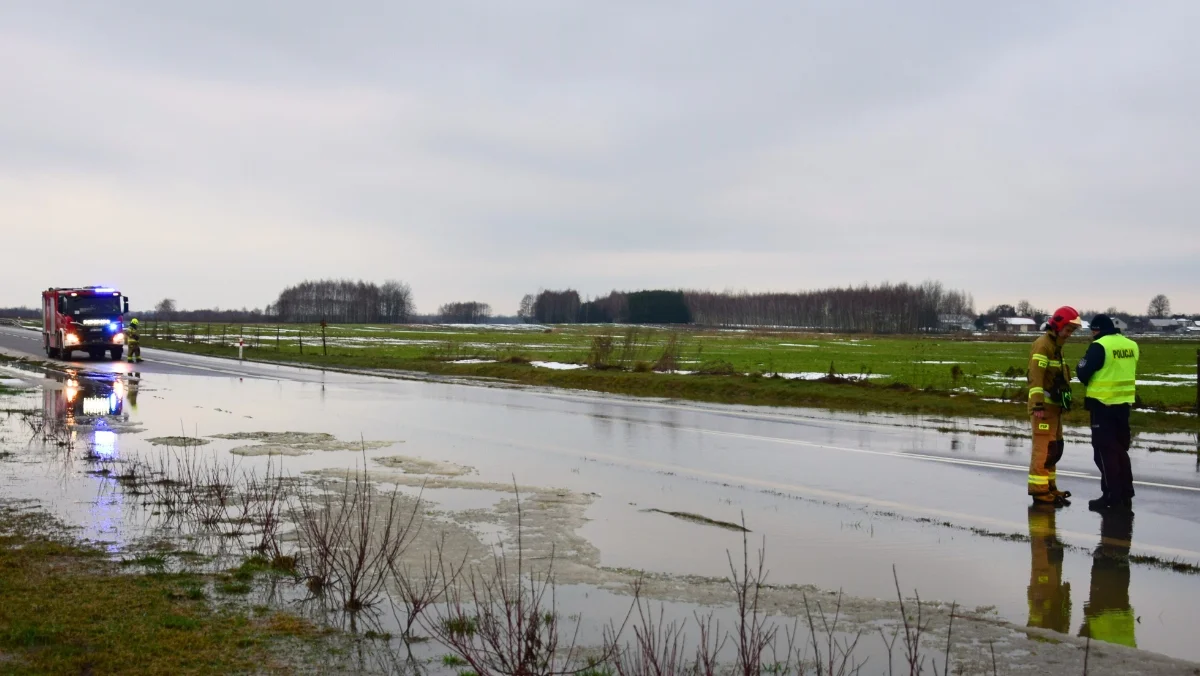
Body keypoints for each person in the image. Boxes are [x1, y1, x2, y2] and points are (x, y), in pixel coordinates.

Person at [1075, 314, 1139, 511]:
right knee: (1120, 451)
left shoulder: (1100, 345)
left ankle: (1111, 495)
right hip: (1123, 405)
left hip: (1103, 405)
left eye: (1092, 331)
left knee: (1104, 453)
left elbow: (1083, 372)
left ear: (1096, 330)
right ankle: (1126, 493)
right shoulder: (1131, 345)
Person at [1027, 306, 1082, 505]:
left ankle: (1050, 487)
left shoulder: (1056, 347)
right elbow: (1036, 378)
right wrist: (1038, 406)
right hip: (1044, 409)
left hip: (1054, 408)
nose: (1069, 335)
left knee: (1054, 449)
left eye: (1072, 331)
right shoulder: (1043, 346)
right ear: (1057, 325)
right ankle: (1039, 491)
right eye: (1068, 330)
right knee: (1043, 450)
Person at [1079, 509, 1136, 648]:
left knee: (1111, 566)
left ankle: (1107, 556)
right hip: (1118, 618)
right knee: (1118, 566)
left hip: (1106, 614)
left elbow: (1083, 636)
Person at [1026, 504, 1071, 634]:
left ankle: (1042, 507)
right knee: (1042, 549)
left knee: (1041, 547)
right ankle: (1042, 508)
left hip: (1044, 585)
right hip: (1046, 586)